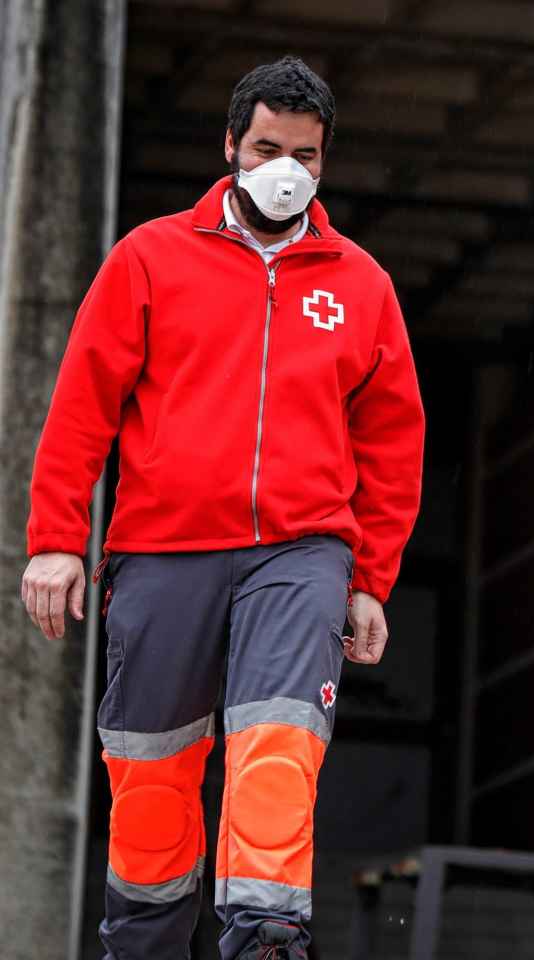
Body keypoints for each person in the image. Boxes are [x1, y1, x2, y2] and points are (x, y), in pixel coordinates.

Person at [21, 57, 424, 959]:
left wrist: (370, 579)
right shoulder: (150, 259)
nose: (287, 168)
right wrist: (55, 540)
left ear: (326, 162)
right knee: (153, 765)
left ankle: (267, 937)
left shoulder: (361, 285)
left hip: (302, 551)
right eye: (269, 147)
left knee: (278, 742)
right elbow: (82, 406)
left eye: (307, 154)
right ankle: (146, 940)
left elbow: (393, 445)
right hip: (163, 549)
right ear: (232, 147)